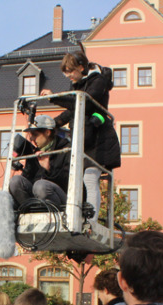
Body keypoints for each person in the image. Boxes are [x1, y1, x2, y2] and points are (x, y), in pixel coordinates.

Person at [41, 51, 121, 218]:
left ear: (81, 67)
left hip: (99, 139)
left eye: (70, 71)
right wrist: (53, 124)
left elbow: (83, 103)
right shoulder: (77, 84)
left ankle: (90, 222)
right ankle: (77, 216)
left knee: (90, 179)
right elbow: (72, 110)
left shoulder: (97, 81)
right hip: (84, 139)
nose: (68, 75)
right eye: (65, 72)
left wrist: (54, 98)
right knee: (77, 180)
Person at [7, 115, 72, 208]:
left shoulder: (66, 150)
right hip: (38, 198)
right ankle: (29, 212)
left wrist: (48, 168)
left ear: (47, 132)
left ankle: (50, 215)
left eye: (35, 134)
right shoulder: (35, 153)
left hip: (62, 200)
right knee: (15, 181)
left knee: (40, 186)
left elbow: (69, 183)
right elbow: (27, 179)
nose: (32, 139)